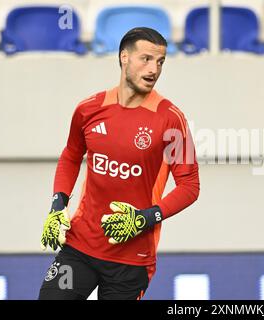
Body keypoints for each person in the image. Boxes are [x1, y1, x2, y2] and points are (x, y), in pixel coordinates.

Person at [38, 27, 200, 300]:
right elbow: (71, 155)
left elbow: (190, 186)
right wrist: (58, 206)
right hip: (80, 247)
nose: (154, 69)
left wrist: (144, 218)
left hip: (131, 259)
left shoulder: (171, 119)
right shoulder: (89, 108)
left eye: (160, 62)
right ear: (124, 57)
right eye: (146, 59)